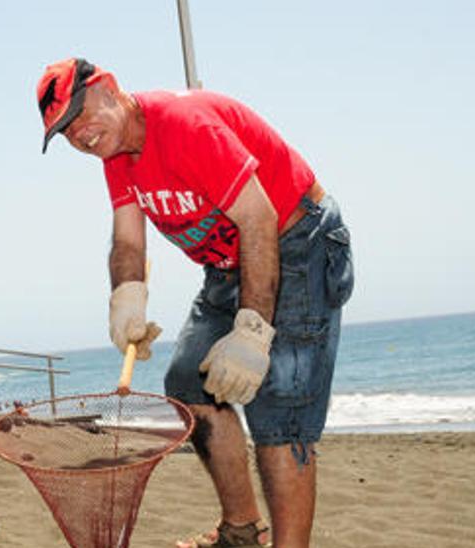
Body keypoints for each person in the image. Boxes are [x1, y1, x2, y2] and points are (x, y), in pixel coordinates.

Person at [36, 59, 354, 548]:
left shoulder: (184, 127)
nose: (80, 134)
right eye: (65, 131)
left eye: (80, 114)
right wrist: (127, 297)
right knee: (187, 381)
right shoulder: (116, 155)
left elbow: (259, 218)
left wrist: (252, 332)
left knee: (278, 410)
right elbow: (128, 242)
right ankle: (242, 530)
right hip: (228, 263)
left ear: (108, 88)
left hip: (296, 239)